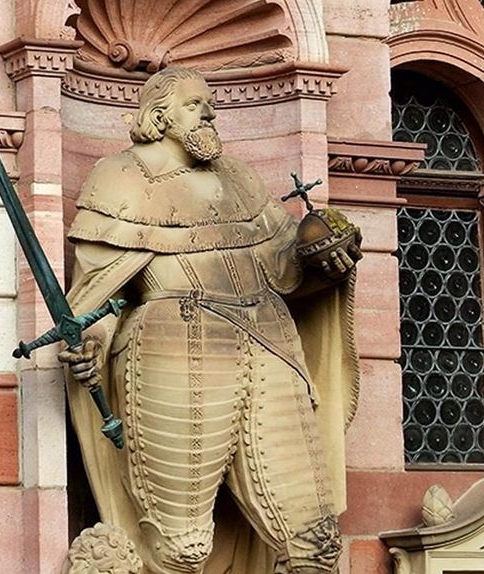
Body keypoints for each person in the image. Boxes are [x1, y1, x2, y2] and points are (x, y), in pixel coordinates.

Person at [59, 66, 362, 574]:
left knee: (316, 539)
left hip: (270, 343)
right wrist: (89, 340)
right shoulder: (119, 178)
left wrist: (325, 252)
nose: (211, 112)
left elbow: (283, 265)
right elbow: (97, 289)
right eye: (196, 103)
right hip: (173, 348)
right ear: (159, 115)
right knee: (178, 546)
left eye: (210, 103)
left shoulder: (239, 176)